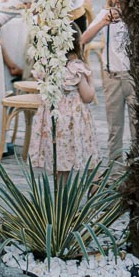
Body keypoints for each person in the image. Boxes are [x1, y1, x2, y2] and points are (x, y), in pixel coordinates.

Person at [81, 0, 135, 160]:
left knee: (138, 128)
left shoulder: (137, 16)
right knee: (115, 128)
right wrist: (103, 22)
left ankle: (136, 169)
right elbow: (83, 39)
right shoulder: (105, 14)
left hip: (133, 78)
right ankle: (114, 171)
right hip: (112, 78)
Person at [29, 23, 97, 174]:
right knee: (86, 158)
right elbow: (87, 97)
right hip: (73, 120)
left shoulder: (46, 66)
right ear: (77, 44)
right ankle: (93, 186)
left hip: (52, 119)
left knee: (60, 160)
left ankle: (61, 195)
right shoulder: (76, 68)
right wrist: (91, 80)